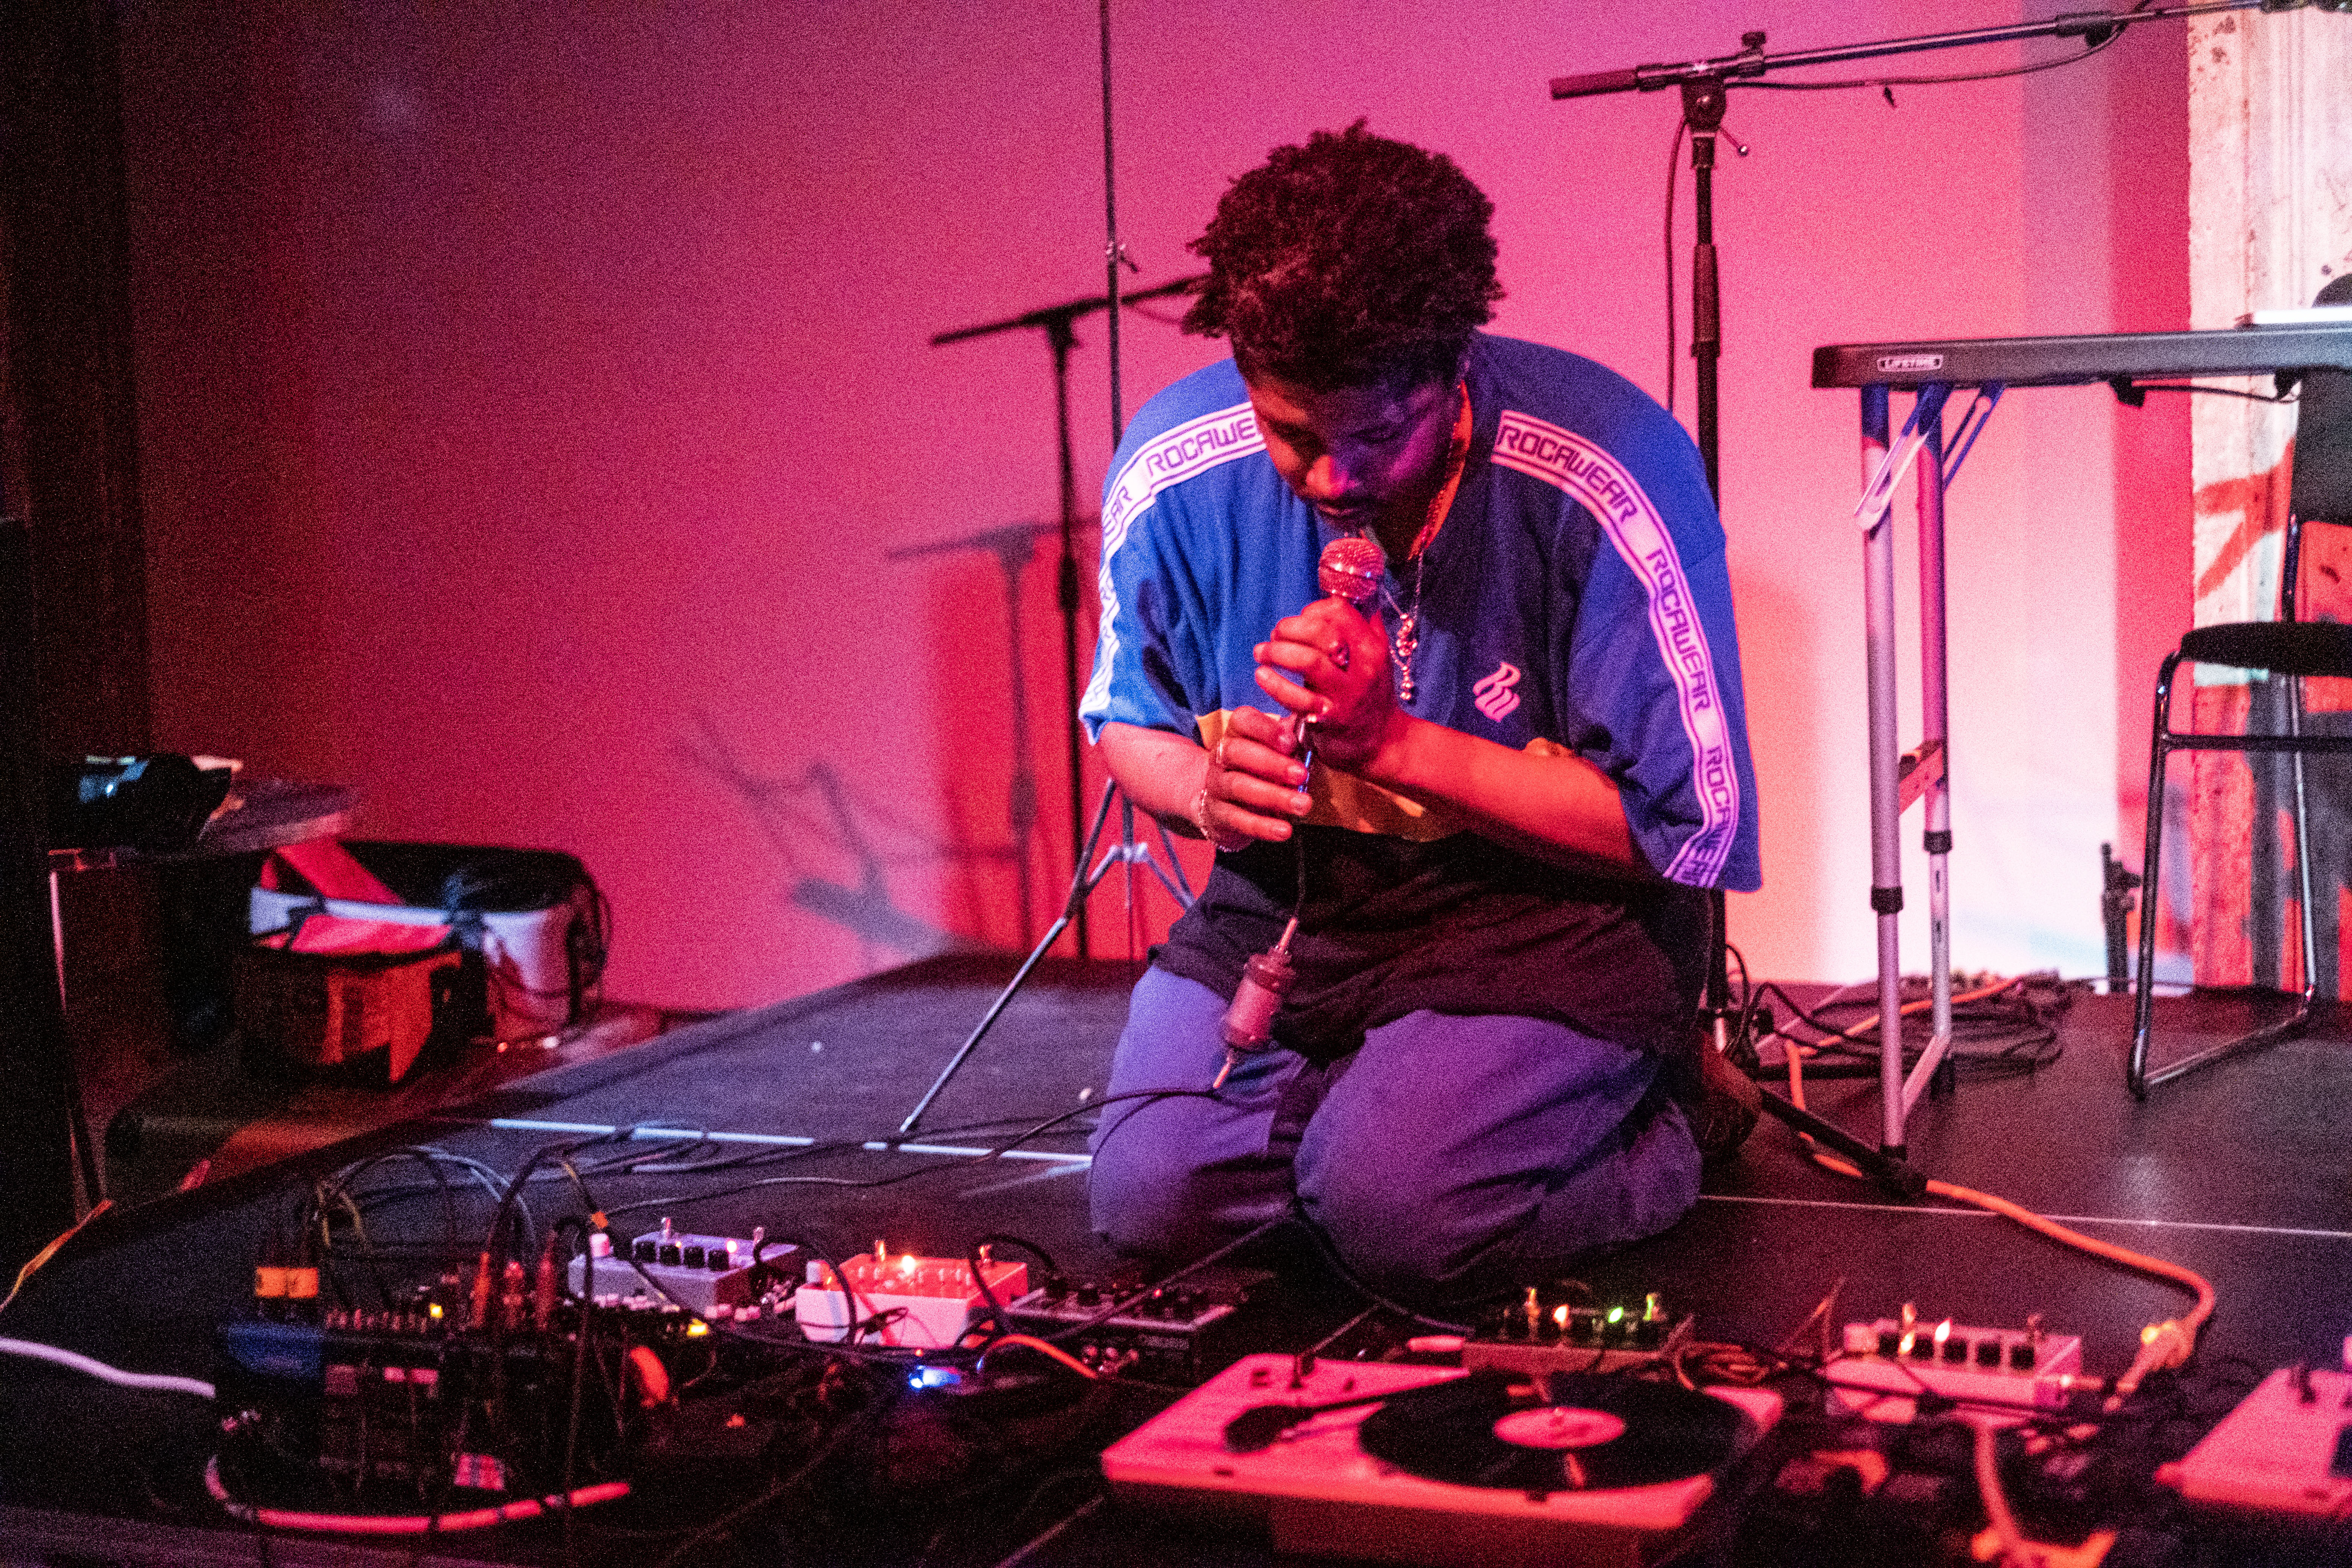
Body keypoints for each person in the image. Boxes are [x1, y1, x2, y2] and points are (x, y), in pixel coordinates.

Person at [1079, 123, 1760, 1309]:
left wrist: (1395, 747)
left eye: (1377, 438)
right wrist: (1200, 791)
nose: (1334, 480)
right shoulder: (1173, 466)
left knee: (1400, 1220)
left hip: (1550, 920)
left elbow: (1680, 831)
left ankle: (1671, 1122)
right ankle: (1379, 1138)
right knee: (1150, 1202)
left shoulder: (1606, 466)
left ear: (1453, 372)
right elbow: (1127, 720)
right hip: (1290, 907)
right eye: (1294, 435)